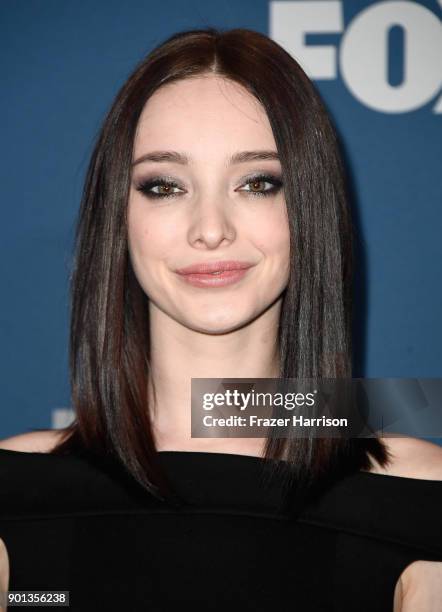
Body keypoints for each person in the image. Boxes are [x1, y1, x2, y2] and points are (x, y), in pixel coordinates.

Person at [0, 27, 441, 612]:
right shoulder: (17, 494)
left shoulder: (416, 496)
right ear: (119, 217)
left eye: (258, 183)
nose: (211, 228)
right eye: (165, 185)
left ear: (308, 209)